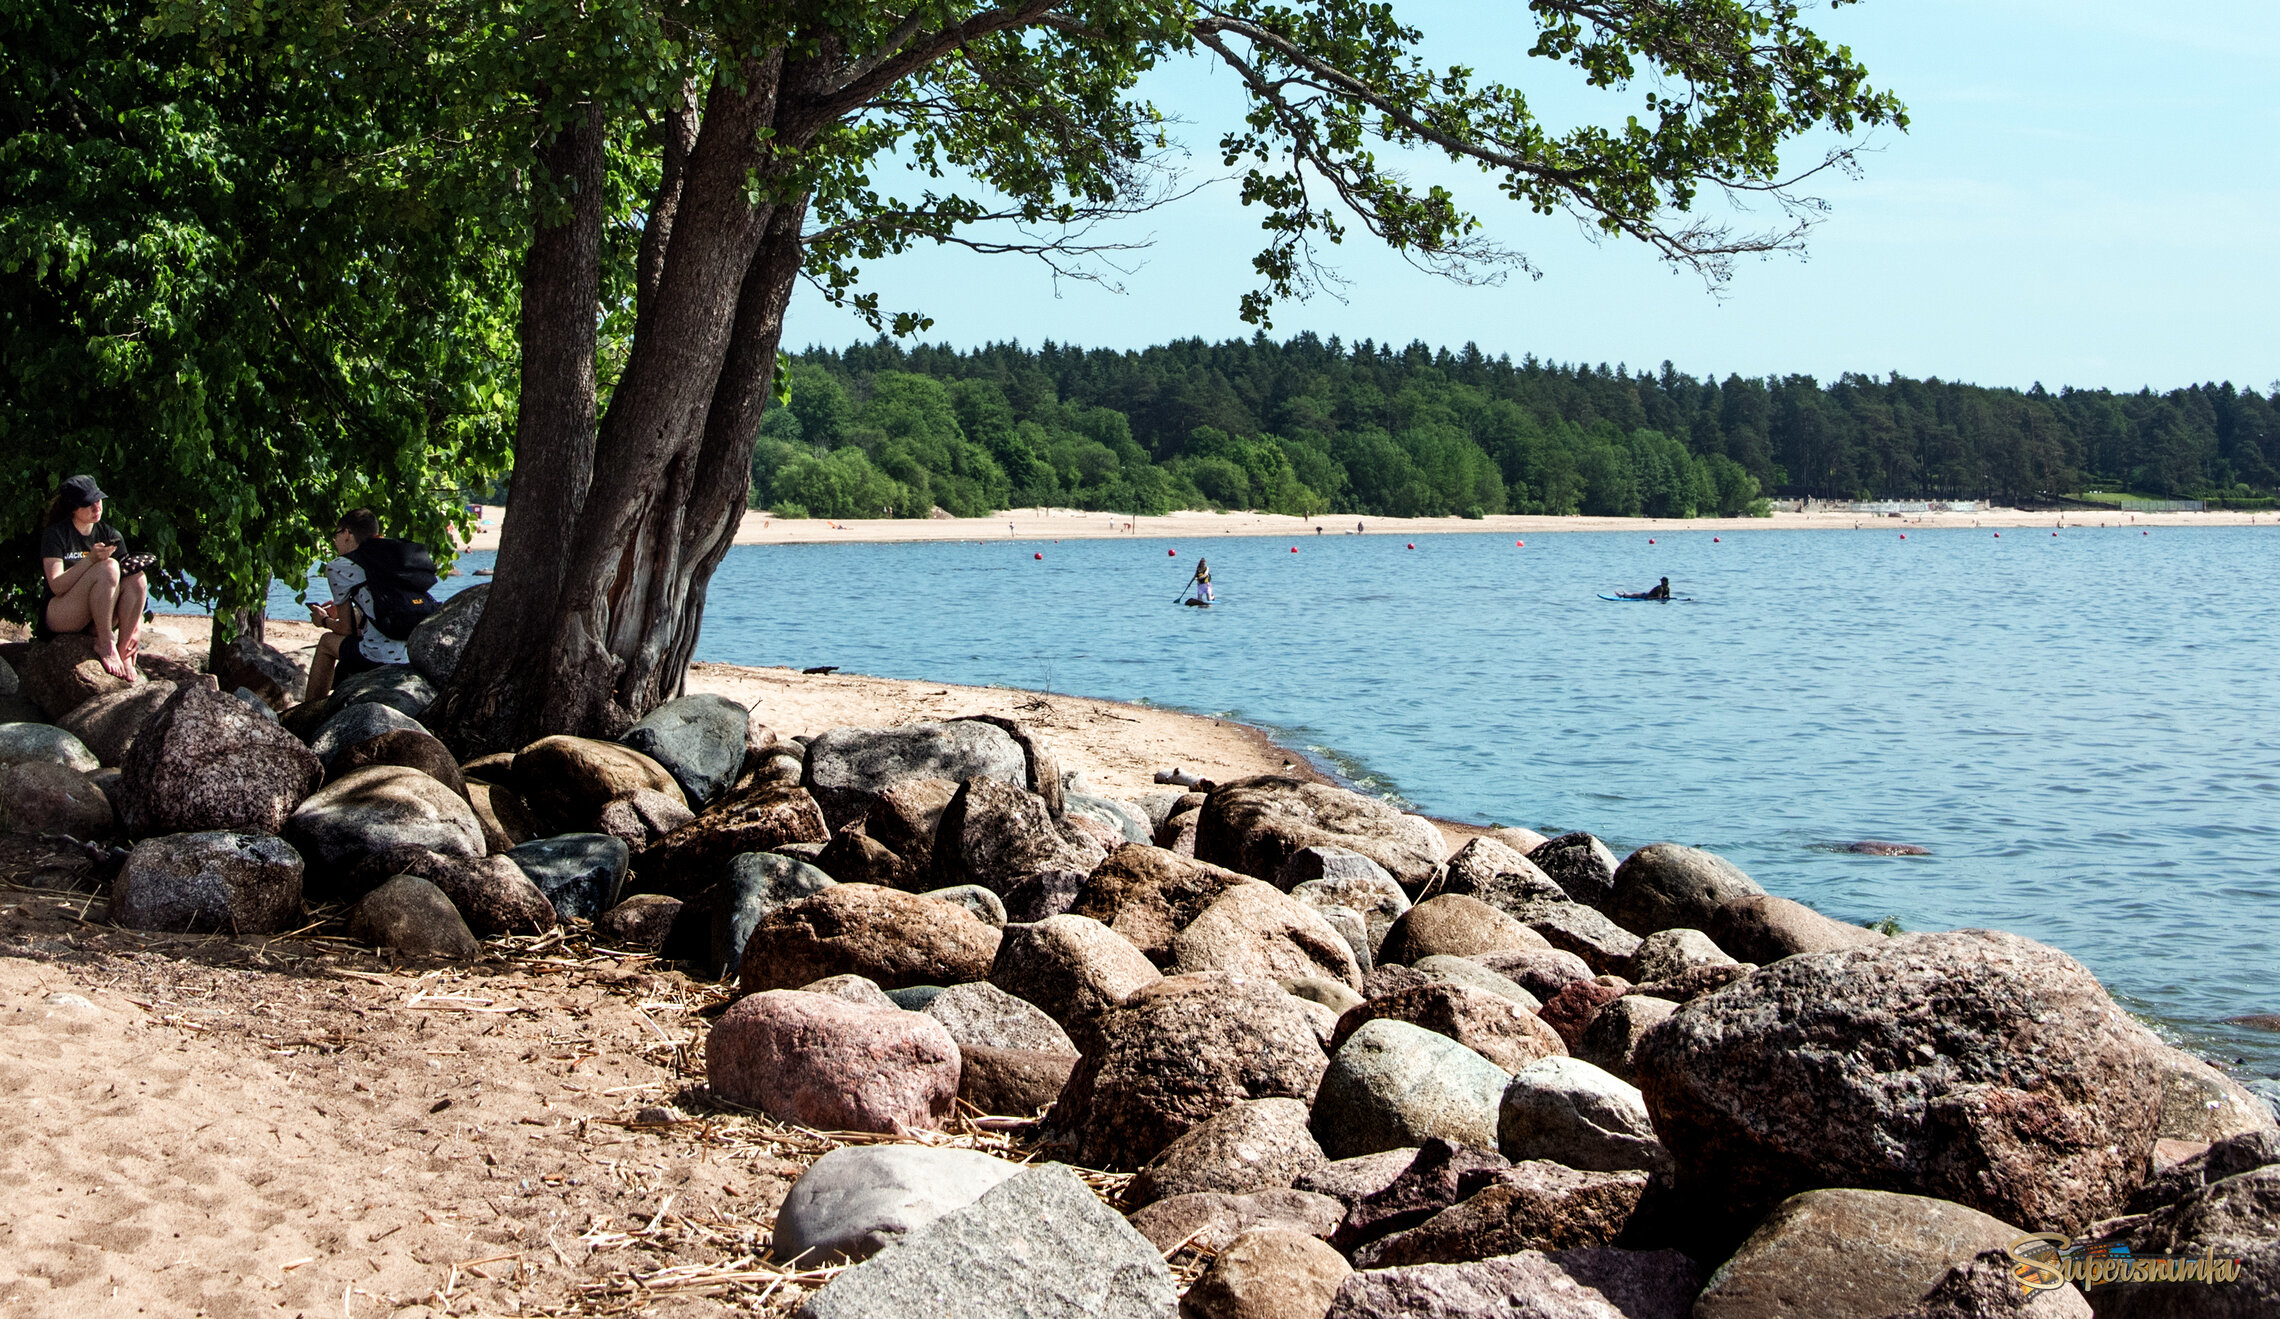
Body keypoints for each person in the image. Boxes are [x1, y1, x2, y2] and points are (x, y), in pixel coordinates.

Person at [304, 508, 439, 702]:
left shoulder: (339, 565)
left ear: (347, 533)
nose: (335, 541)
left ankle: (310, 709)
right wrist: (352, 614)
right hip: (415, 652)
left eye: (336, 534)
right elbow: (385, 607)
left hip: (382, 657)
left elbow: (346, 629)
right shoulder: (391, 556)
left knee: (326, 642)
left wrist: (324, 620)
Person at [36, 475, 149, 680]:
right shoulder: (56, 534)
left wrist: (136, 627)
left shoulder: (109, 534)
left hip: (99, 611)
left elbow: (130, 586)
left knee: (137, 578)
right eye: (88, 503)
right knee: (109, 568)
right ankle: (106, 643)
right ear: (73, 508)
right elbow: (56, 586)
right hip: (61, 612)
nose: (96, 506)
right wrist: (89, 561)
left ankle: (124, 651)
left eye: (98, 500)